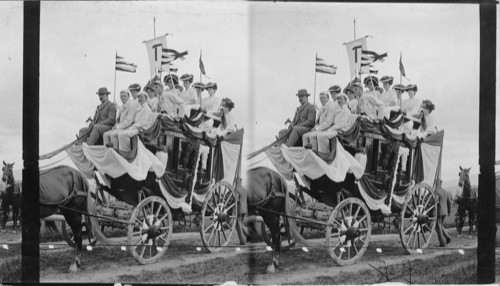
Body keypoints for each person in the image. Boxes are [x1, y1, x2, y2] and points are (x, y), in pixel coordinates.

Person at [435, 179, 452, 247]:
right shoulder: (445, 192)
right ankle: (448, 238)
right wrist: (449, 212)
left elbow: (435, 202)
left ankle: (442, 243)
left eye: (436, 183)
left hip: (439, 211)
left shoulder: (436, 192)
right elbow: (449, 203)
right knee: (440, 225)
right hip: (445, 212)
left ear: (437, 183)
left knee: (438, 226)